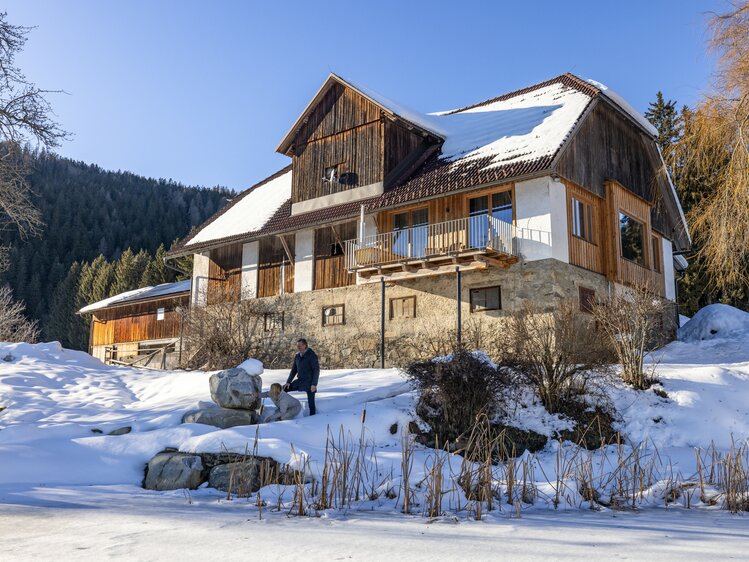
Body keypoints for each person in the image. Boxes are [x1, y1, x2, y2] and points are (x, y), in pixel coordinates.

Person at [284, 338, 319, 415]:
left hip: (310, 383)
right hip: (300, 381)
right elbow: (294, 370)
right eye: (297, 346)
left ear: (305, 345)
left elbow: (316, 370)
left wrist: (314, 384)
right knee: (284, 389)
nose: (298, 347)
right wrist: (288, 382)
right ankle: (285, 409)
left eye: (300, 345)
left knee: (311, 403)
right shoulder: (297, 356)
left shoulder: (311, 355)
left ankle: (314, 419)